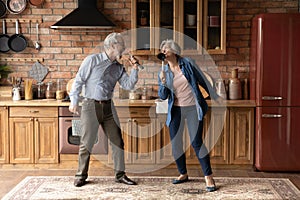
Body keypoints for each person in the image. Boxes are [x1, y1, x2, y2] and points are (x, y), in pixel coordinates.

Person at [69, 32, 141, 187]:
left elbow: (128, 85)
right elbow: (79, 80)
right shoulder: (92, 60)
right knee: (86, 142)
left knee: (117, 141)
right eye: (122, 45)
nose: (124, 49)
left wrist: (135, 68)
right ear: (113, 46)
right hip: (90, 106)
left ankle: (120, 175)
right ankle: (81, 175)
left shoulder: (118, 67)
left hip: (108, 107)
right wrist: (74, 100)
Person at [157, 39, 221, 192]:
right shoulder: (164, 71)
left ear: (174, 50)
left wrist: (214, 96)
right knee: (176, 144)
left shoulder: (188, 63)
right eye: (162, 49)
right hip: (176, 110)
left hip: (193, 108)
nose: (164, 51)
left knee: (196, 142)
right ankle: (183, 173)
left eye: (166, 48)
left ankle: (208, 176)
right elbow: (163, 96)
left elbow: (202, 80)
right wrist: (163, 82)